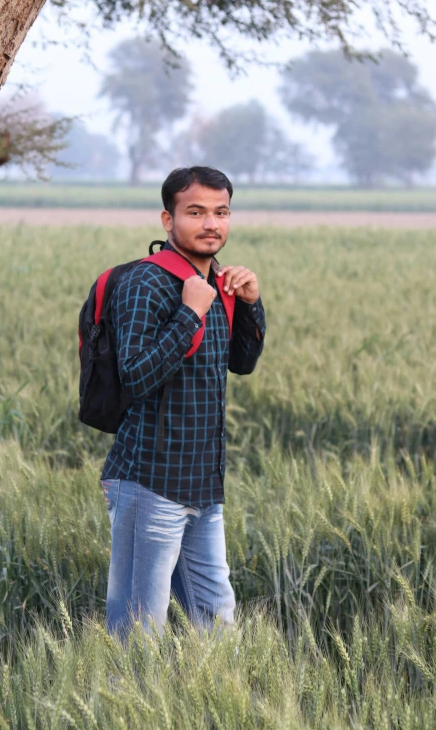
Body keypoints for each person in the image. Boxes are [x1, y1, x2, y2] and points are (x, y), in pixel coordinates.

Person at [101, 166, 266, 640]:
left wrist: (251, 304)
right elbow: (136, 375)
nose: (211, 223)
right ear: (167, 219)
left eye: (221, 212)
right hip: (149, 482)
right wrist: (191, 312)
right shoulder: (146, 284)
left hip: (204, 485)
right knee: (137, 631)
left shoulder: (217, 282)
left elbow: (242, 363)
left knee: (218, 626)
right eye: (196, 212)